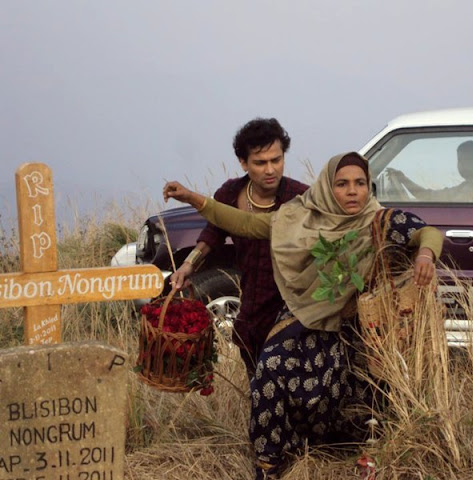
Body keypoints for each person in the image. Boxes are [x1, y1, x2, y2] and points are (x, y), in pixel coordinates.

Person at [163, 152, 443, 480]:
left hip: (356, 326)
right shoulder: (304, 217)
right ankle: (269, 461)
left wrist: (425, 255)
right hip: (305, 312)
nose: (353, 191)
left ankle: (352, 449)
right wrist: (193, 198)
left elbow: (427, 233)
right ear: (327, 187)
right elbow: (247, 224)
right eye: (342, 184)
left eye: (360, 183)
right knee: (270, 369)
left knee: (353, 387)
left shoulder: (380, 220)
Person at [169, 118, 308, 378]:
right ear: (243, 163)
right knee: (256, 381)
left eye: (276, 160)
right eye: (260, 162)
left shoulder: (299, 198)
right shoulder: (231, 193)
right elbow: (214, 231)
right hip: (251, 311)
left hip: (289, 312)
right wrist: (189, 265)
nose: (270, 170)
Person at [387, 139, 473, 202]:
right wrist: (403, 179)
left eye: (467, 160)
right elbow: (428, 195)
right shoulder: (465, 186)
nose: (462, 164)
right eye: (460, 160)